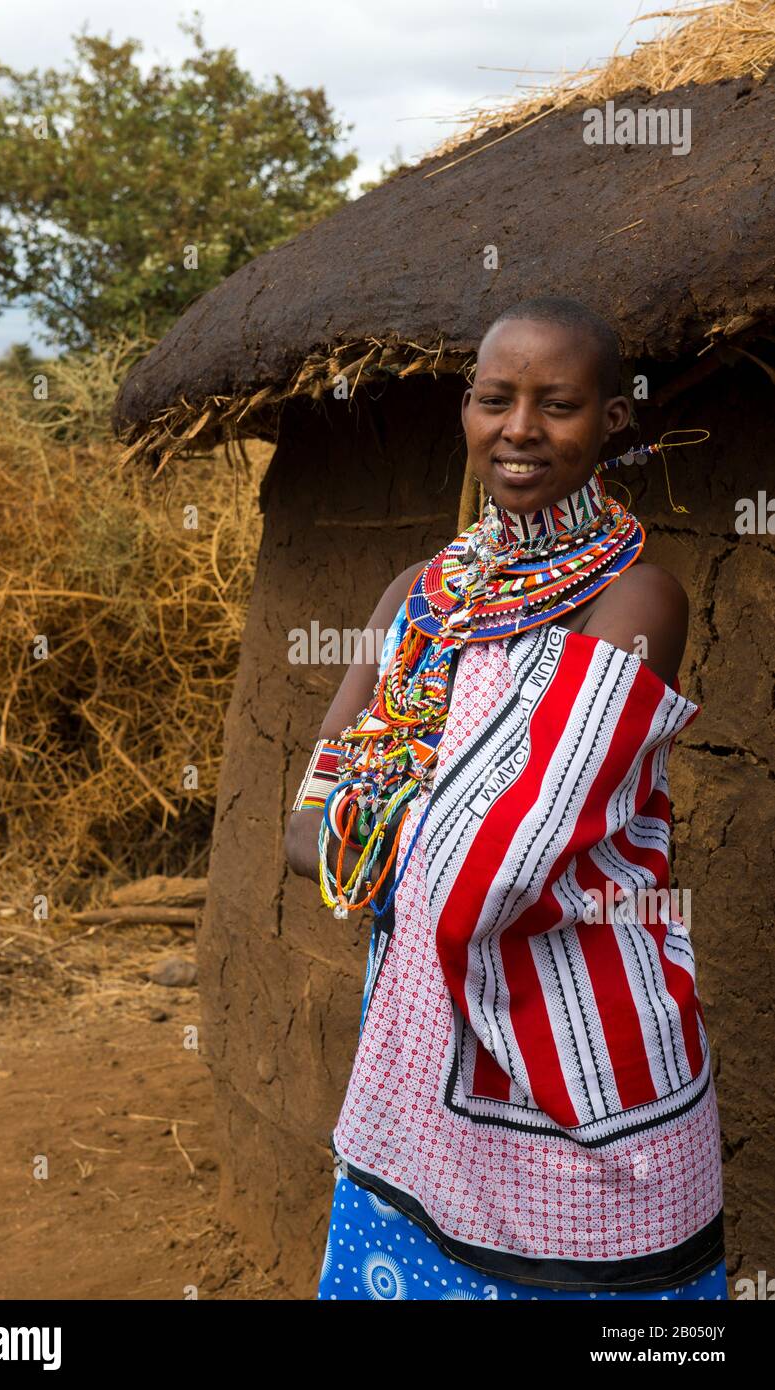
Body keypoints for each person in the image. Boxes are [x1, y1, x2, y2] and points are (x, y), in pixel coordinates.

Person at [285, 296, 727, 1301]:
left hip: (590, 1053)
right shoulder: (415, 595)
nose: (519, 428)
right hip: (420, 1057)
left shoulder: (634, 599)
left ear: (612, 421)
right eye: (495, 398)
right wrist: (424, 820)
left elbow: (493, 869)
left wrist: (387, 796)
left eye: (557, 403)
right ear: (466, 412)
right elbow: (303, 835)